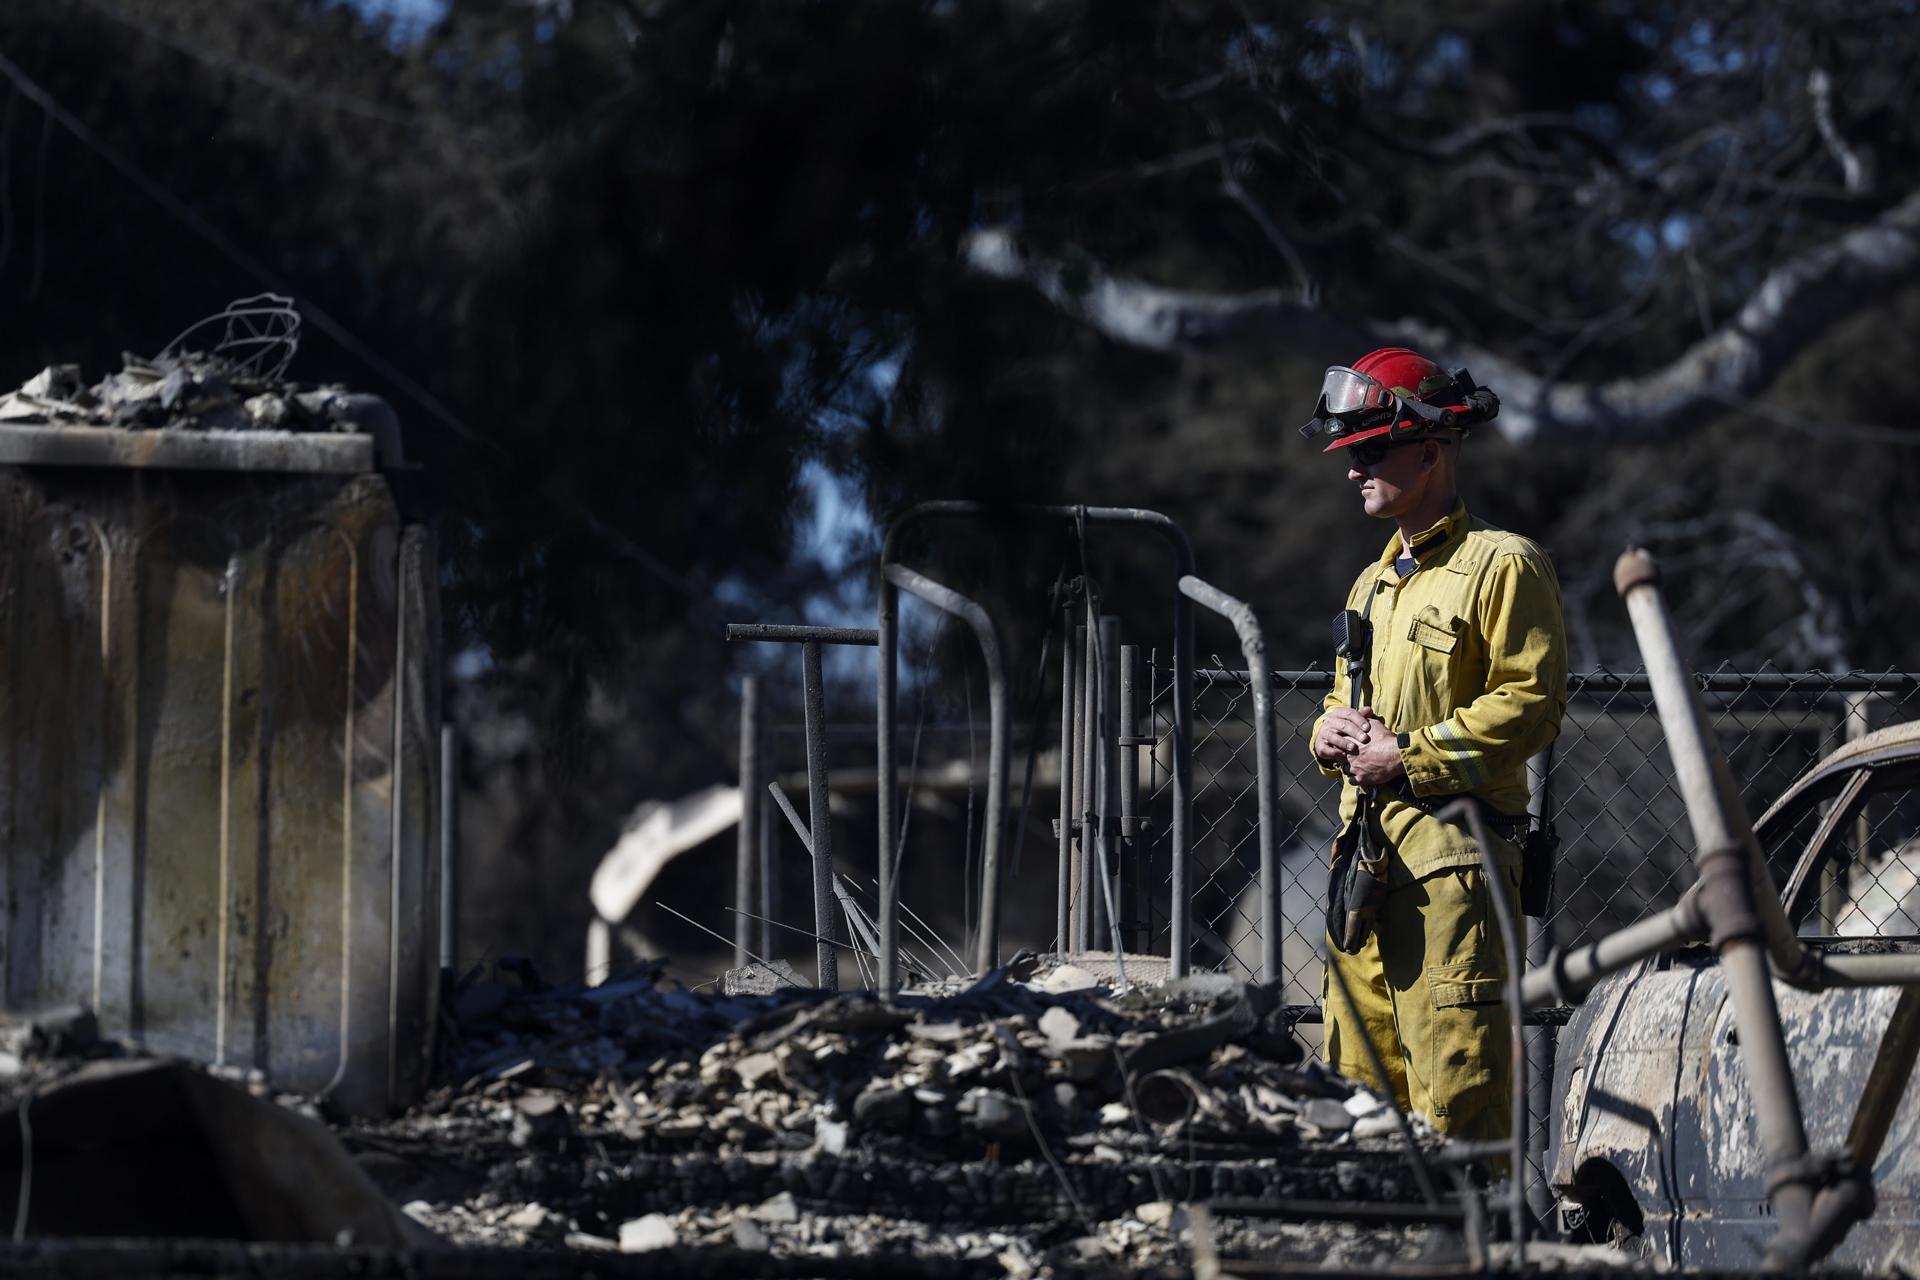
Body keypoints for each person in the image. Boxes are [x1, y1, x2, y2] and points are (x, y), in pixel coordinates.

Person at [1302, 347, 1567, 1142]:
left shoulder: (1504, 564)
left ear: (1430, 448)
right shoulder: (1373, 582)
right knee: (1356, 1110)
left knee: (1456, 1109)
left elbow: (1530, 704)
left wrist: (1408, 757)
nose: (1353, 470)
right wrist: (1328, 730)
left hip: (1456, 882)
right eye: (1347, 454)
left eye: (1369, 449)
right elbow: (1345, 699)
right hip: (1363, 881)